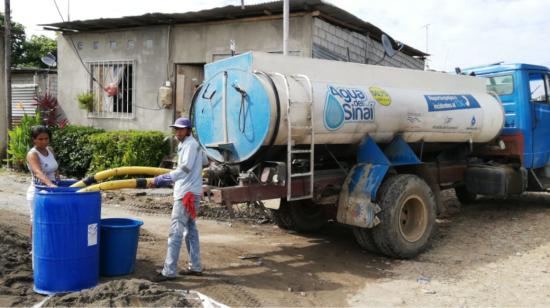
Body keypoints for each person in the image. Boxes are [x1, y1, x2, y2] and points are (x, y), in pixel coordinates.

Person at [151, 117, 206, 282]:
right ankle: (195, 266)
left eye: (181, 129)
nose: (177, 132)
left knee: (175, 232)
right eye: (176, 129)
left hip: (185, 195)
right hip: (192, 192)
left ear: (188, 131)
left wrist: (164, 178)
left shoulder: (190, 145)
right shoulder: (190, 145)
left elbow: (184, 169)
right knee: (190, 230)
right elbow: (204, 162)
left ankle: (169, 271)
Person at [26, 125, 59, 223]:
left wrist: (58, 178)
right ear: (34, 140)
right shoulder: (33, 154)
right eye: (40, 139)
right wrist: (50, 185)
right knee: (36, 221)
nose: (44, 141)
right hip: (38, 192)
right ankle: (33, 239)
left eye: (46, 139)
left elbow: (55, 166)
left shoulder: (50, 150)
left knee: (51, 220)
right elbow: (38, 172)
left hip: (52, 191)